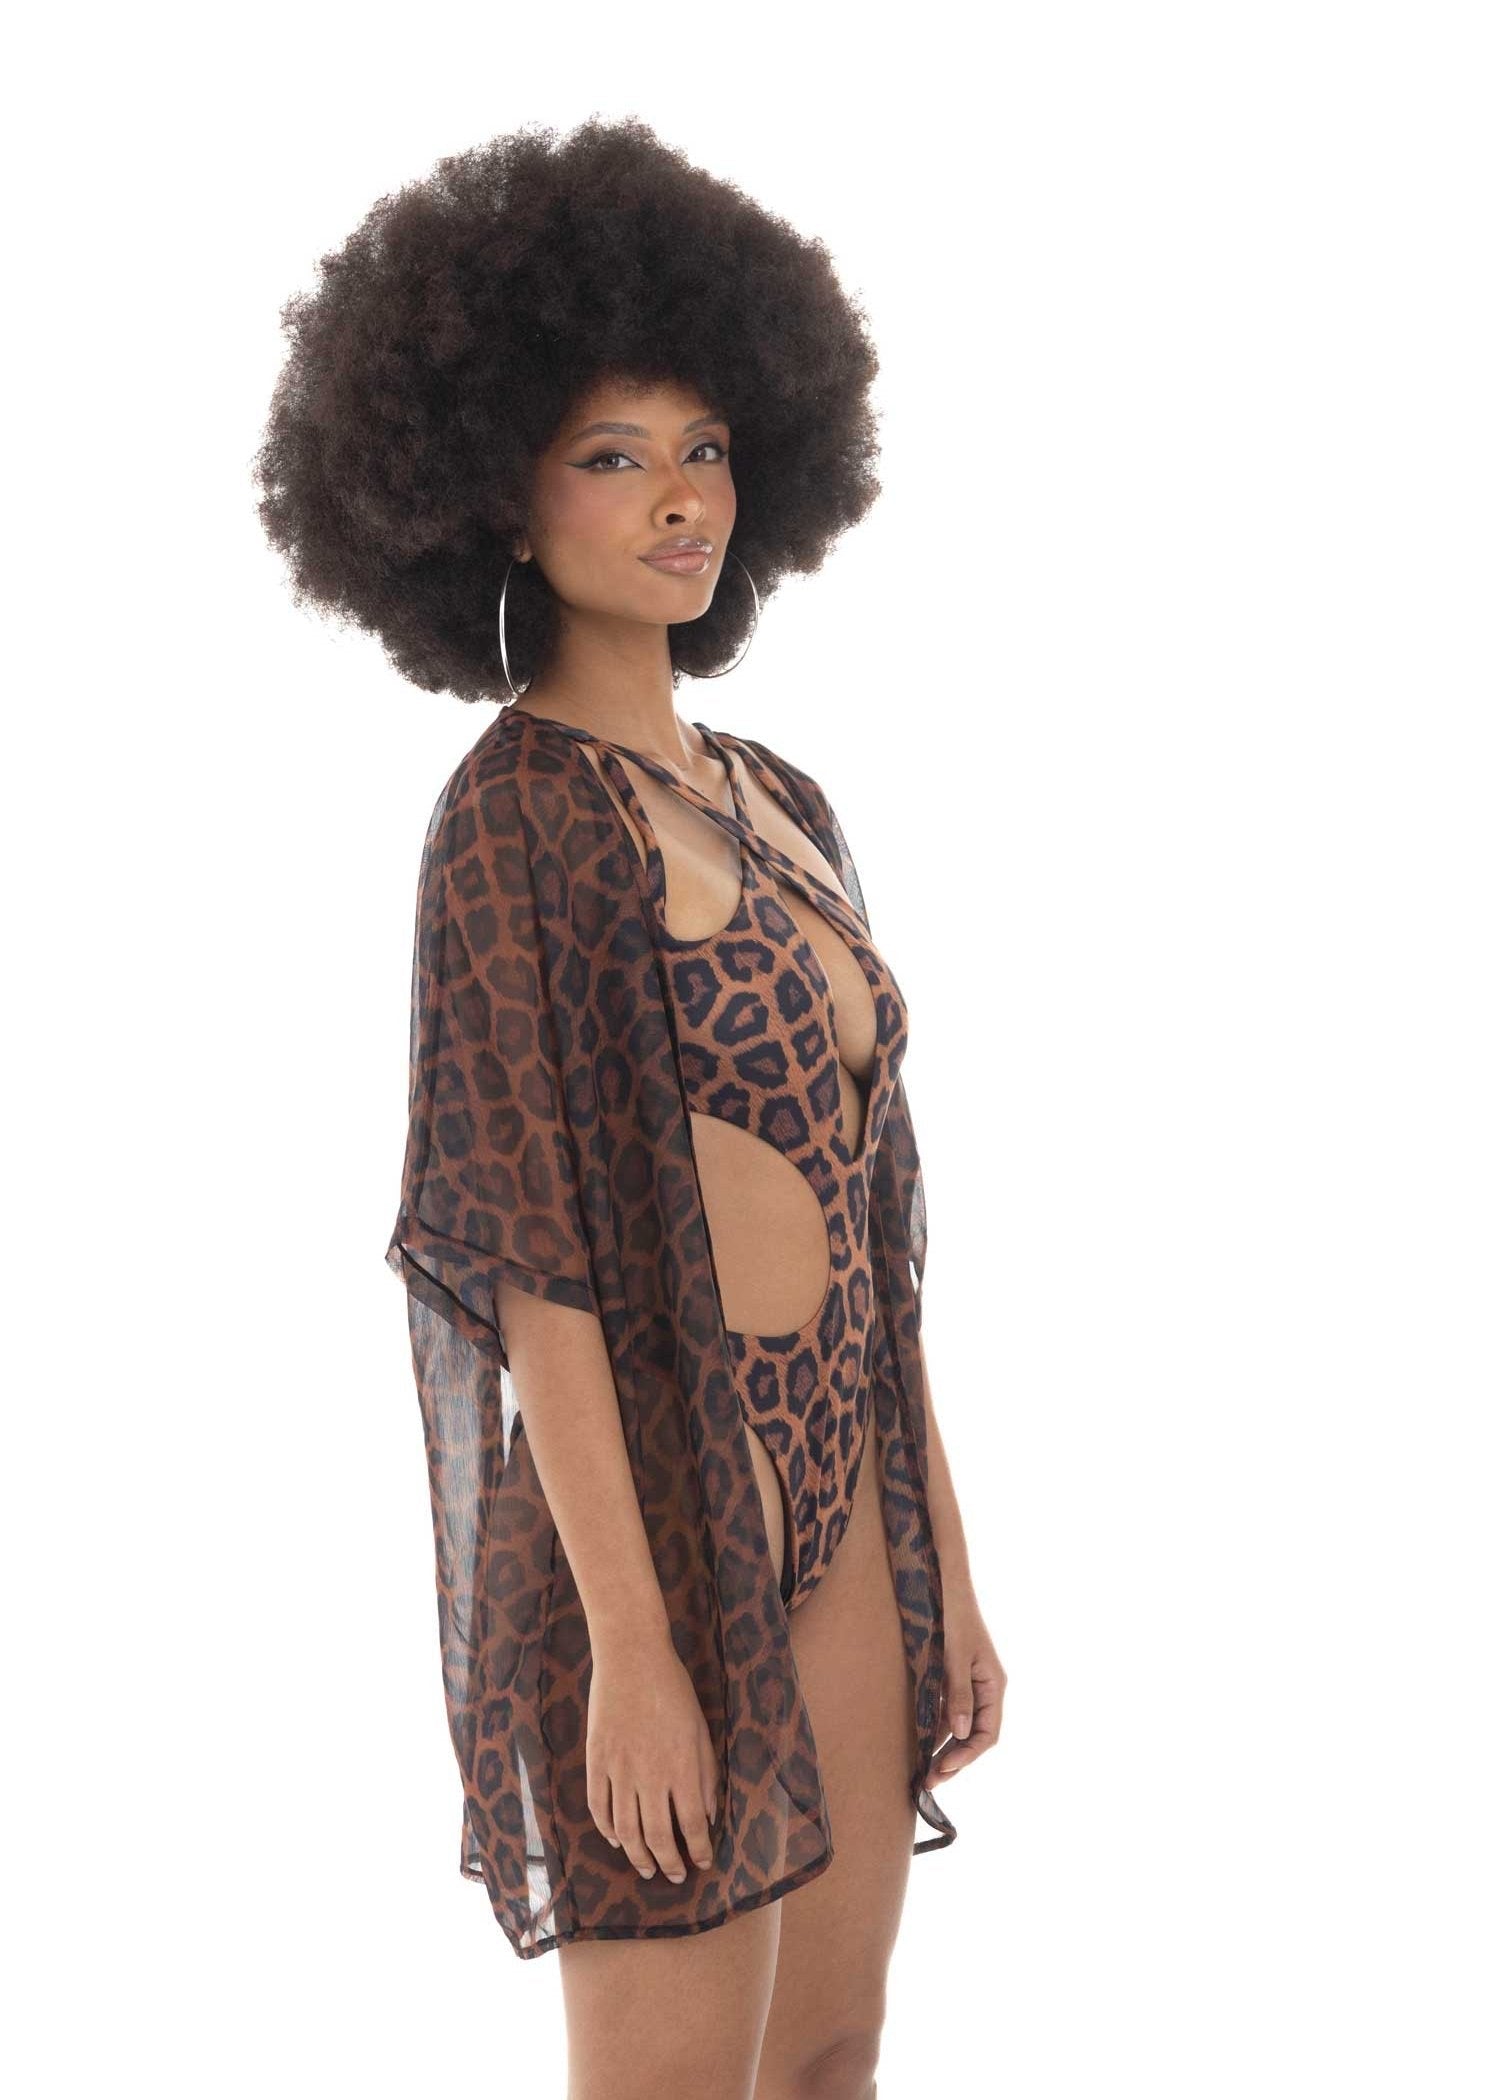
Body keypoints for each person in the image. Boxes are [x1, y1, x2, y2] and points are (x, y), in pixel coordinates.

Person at [256, 113, 1005, 2099]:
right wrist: (634, 1650)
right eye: (611, 456)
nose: (680, 499)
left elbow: (878, 1230)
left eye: (707, 449)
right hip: (659, 1535)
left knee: (831, 2061)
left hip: (849, 1504)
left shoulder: (783, 799)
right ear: (495, 502)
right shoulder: (515, 820)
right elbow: (533, 1265)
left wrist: (946, 1555)